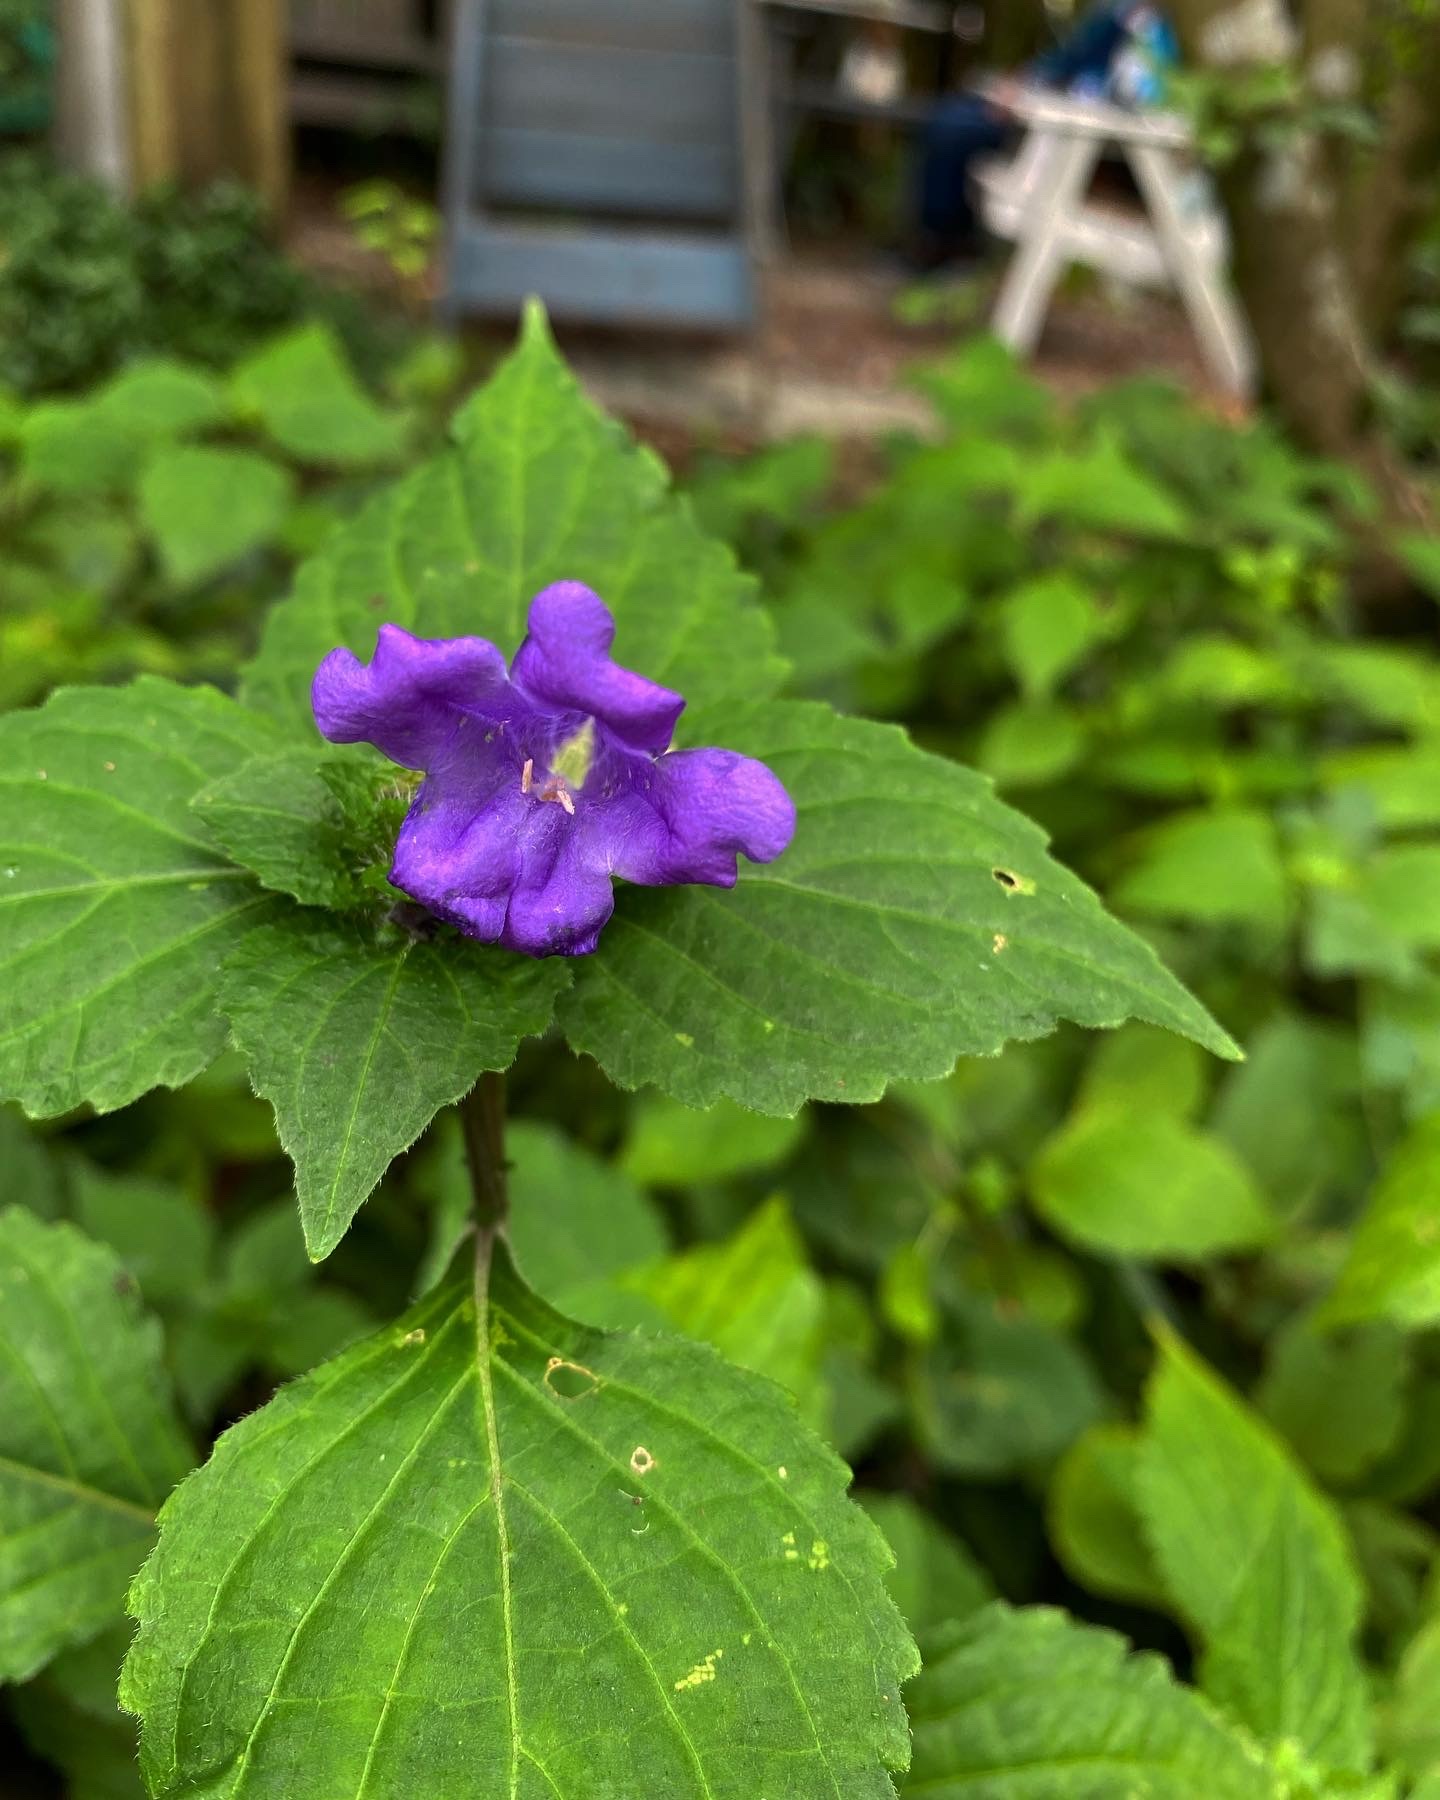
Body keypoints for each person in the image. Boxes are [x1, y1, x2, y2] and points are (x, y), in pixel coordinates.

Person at [912, 3, 1178, 269]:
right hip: (1044, 132)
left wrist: (1032, 98)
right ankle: (945, 245)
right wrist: (1023, 83)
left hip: (1067, 148)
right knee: (953, 117)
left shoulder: (1144, 28)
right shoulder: (1112, 15)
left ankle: (946, 247)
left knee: (952, 127)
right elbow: (1069, 62)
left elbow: (1134, 100)